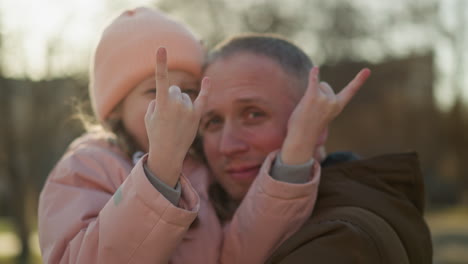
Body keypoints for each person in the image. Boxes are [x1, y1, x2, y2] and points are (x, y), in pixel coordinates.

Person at [38, 7, 328, 264]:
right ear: (115, 110)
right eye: (155, 90)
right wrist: (160, 171)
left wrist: (292, 163)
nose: (176, 101)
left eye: (190, 90)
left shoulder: (202, 170)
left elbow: (242, 252)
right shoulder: (86, 168)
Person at [199, 33, 432, 263]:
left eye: (253, 114)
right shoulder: (207, 223)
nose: (227, 146)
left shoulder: (342, 241)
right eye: (213, 122)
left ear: (316, 122)